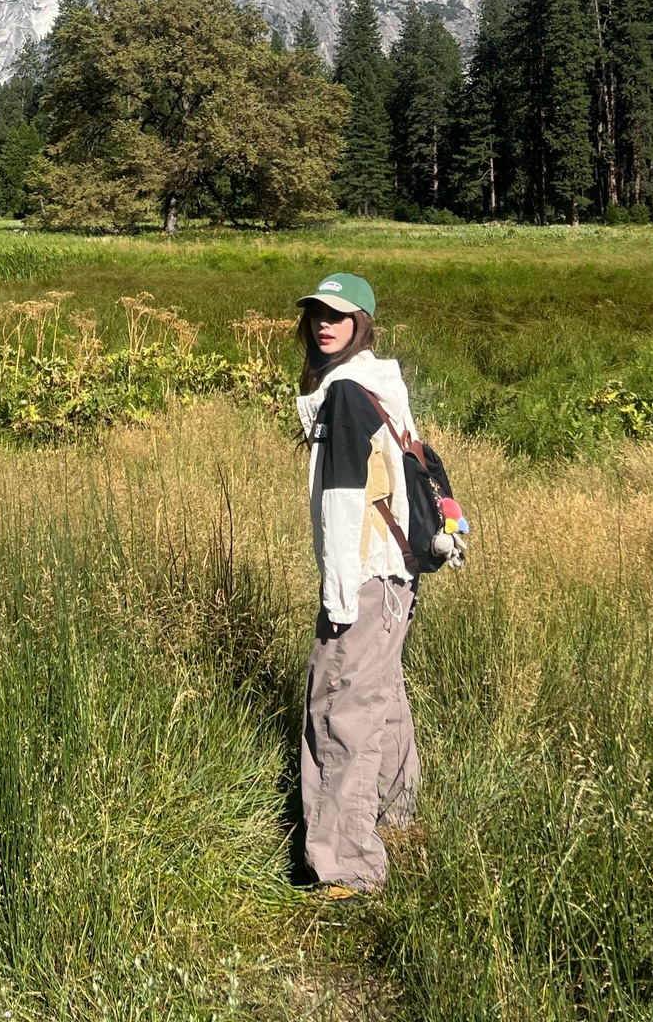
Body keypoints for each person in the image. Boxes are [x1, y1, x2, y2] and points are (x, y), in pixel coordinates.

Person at [295, 271, 420, 899]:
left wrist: (338, 597)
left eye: (338, 315)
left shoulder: (346, 394)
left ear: (361, 323)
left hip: (364, 575)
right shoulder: (383, 387)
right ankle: (396, 816)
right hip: (397, 574)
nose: (325, 323)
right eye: (318, 313)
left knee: (339, 702)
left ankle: (347, 866)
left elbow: (344, 504)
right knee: (380, 695)